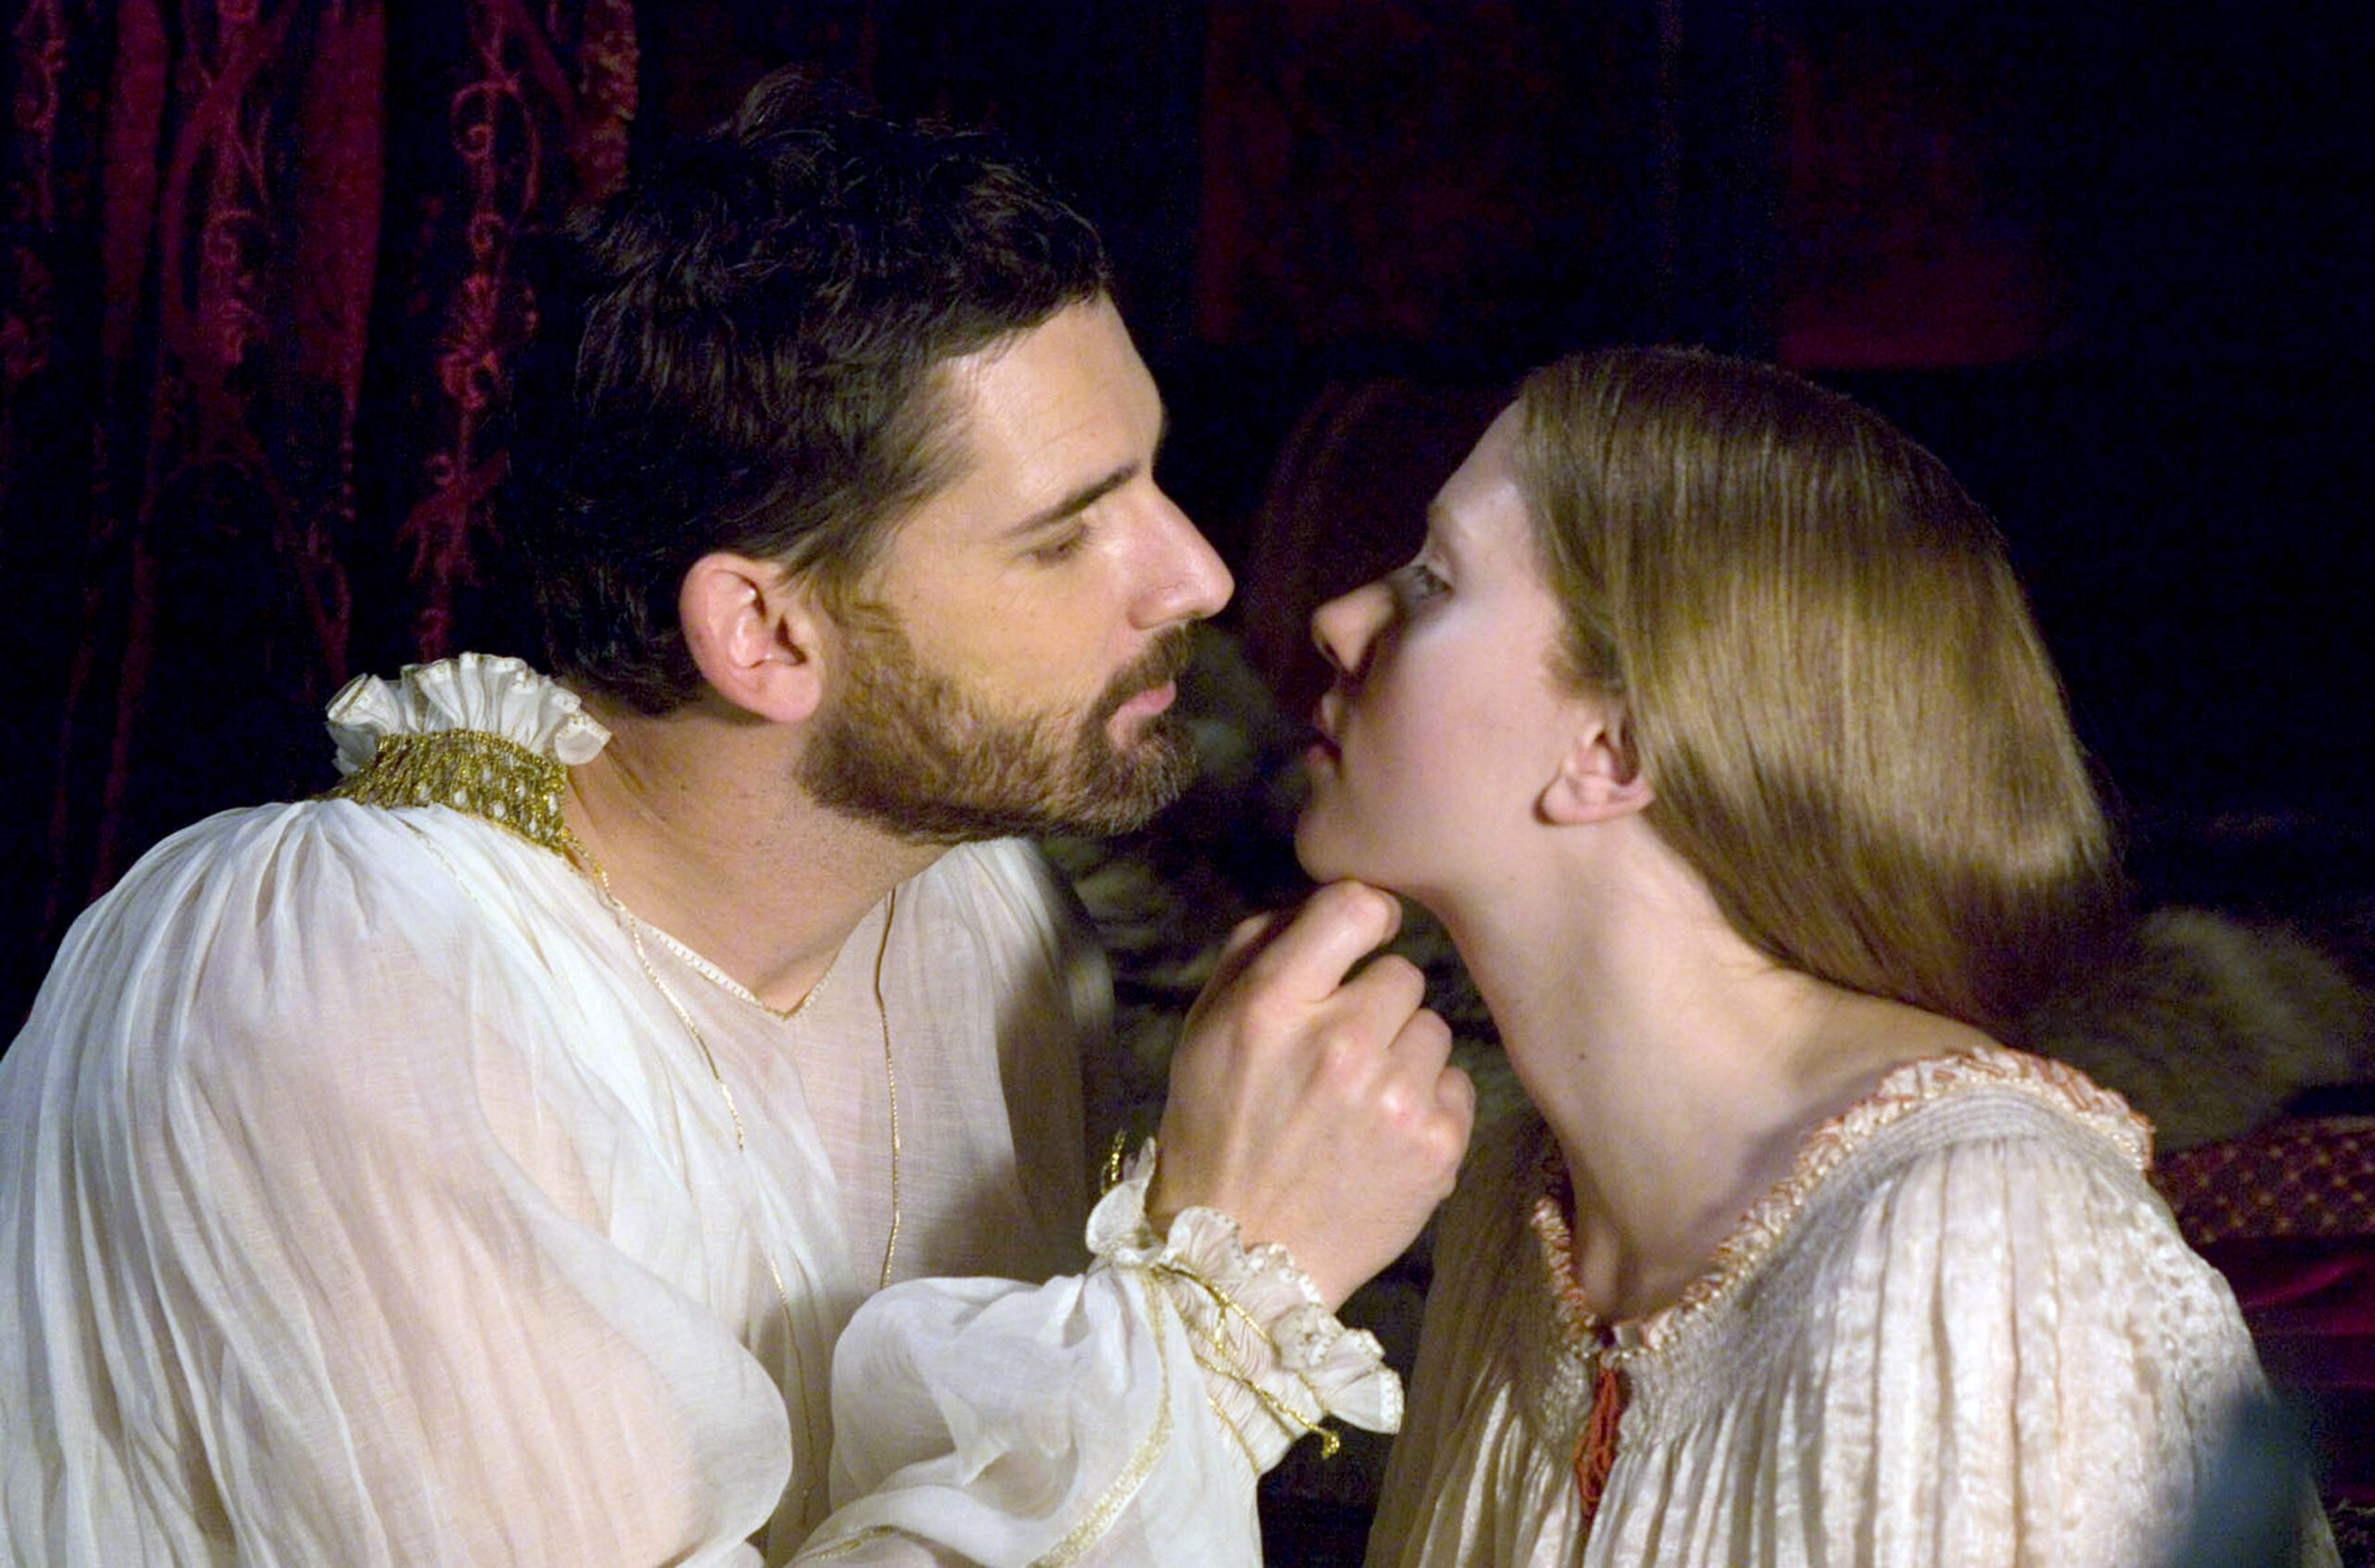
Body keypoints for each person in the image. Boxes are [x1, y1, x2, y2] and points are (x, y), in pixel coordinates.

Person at [0, 74, 1472, 1567]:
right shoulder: (334, 979)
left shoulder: (987, 911)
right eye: (1063, 535)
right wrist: (1218, 1309)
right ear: (763, 634)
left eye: (1151, 479)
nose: (1198, 576)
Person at [1286, 346, 2339, 1566]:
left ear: (1615, 751)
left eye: (1433, 578)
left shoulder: (1976, 1238)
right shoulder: (1520, 1211)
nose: (1337, 618)